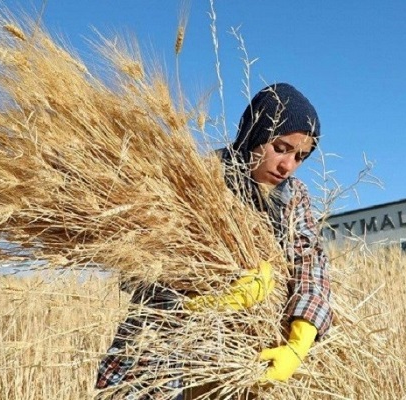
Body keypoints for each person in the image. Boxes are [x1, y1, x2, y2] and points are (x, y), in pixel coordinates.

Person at [95, 82, 333, 399]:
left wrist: (300, 338)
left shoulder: (294, 197)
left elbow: (309, 261)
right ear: (256, 133)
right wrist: (208, 296)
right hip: (162, 350)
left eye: (301, 156)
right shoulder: (198, 176)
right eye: (281, 147)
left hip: (239, 359)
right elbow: (136, 266)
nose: (288, 165)